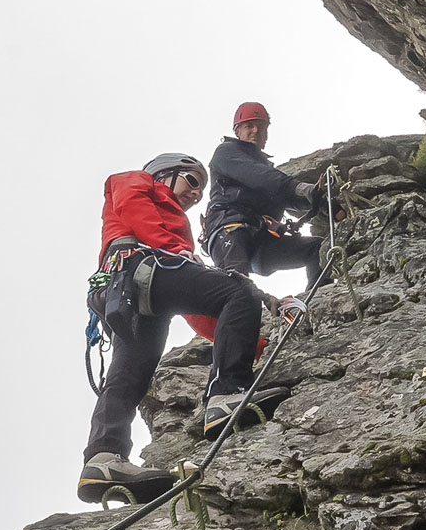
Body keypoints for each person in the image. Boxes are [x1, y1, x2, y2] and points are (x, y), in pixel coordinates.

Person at [79, 153, 281, 504]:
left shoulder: (170, 233)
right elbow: (132, 205)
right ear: (164, 174)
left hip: (128, 290)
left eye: (200, 191)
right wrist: (175, 250)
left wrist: (258, 344)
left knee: (129, 373)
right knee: (238, 289)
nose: (195, 194)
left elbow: (199, 309)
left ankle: (103, 457)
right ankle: (225, 394)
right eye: (191, 181)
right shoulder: (136, 180)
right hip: (144, 266)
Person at [202, 102, 326, 291]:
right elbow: (260, 177)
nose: (256, 131)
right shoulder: (226, 152)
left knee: (317, 249)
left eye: (262, 127)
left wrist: (317, 197)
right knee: (237, 286)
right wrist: (298, 187)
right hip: (231, 229)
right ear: (237, 131)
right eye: (249, 126)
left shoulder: (266, 169)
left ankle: (319, 297)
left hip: (262, 241)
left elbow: (285, 197)